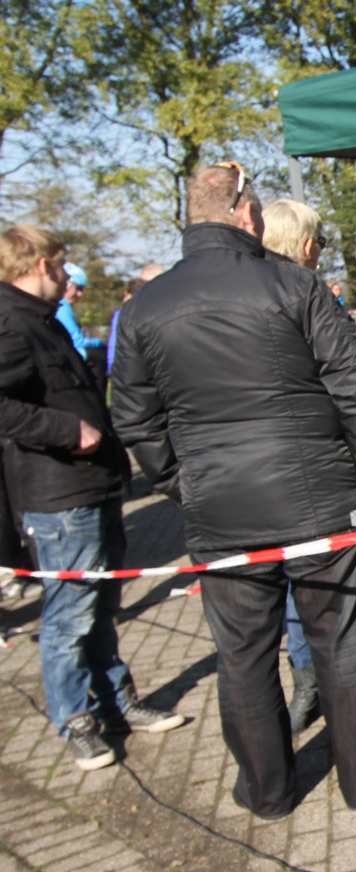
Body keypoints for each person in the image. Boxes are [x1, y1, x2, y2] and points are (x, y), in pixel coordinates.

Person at [113, 163, 356, 819]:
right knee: (339, 645)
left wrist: (186, 483)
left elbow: (134, 419)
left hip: (223, 507)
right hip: (317, 500)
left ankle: (267, 791)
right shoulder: (294, 284)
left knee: (243, 655)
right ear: (245, 212)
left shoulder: (143, 308)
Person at [0, 224, 186, 770]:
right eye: (61, 265)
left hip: (94, 489)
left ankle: (116, 701)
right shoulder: (11, 324)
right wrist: (67, 431)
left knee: (102, 607)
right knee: (69, 618)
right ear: (40, 265)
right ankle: (76, 721)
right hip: (60, 500)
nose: (66, 276)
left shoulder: (42, 321)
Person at [260, 198, 333, 736]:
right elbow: (349, 382)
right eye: (321, 242)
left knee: (286, 586)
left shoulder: (229, 295)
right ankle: (324, 681)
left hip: (245, 476)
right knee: (323, 587)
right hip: (310, 471)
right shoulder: (309, 294)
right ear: (307, 245)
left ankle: (311, 680)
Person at [56, 263, 107, 392]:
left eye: (82, 289)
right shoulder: (62, 304)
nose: (79, 294)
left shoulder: (58, 303)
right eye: (78, 288)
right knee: (99, 355)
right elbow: (78, 341)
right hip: (64, 355)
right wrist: (99, 342)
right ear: (67, 284)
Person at [106, 277, 145, 375]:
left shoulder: (121, 315)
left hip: (122, 368)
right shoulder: (149, 315)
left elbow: (114, 344)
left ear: (127, 295)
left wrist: (111, 367)